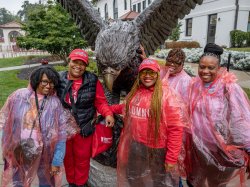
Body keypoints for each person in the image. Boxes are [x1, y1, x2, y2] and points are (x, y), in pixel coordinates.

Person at [111, 58, 186, 187]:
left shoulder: (167, 96)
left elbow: (176, 129)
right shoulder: (136, 93)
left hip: (157, 150)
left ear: (157, 74)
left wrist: (171, 158)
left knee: (159, 182)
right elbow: (124, 108)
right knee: (134, 177)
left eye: (151, 72)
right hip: (136, 146)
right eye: (144, 72)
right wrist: (106, 109)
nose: (147, 76)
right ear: (139, 75)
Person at [0, 65, 79, 186]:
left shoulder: (54, 103)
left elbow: (61, 134)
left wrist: (57, 160)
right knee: (18, 180)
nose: (49, 86)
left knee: (46, 181)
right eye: (45, 82)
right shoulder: (19, 97)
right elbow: (6, 122)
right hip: (20, 150)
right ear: (37, 80)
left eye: (52, 83)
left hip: (45, 154)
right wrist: (7, 148)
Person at [187, 43, 250, 187]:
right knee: (196, 181)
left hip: (221, 150)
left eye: (211, 67)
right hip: (198, 148)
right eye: (202, 67)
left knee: (216, 183)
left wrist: (248, 147)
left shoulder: (228, 87)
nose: (205, 71)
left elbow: (241, 118)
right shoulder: (195, 85)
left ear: (219, 68)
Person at [57, 49, 114, 187]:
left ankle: (80, 183)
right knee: (67, 158)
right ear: (69, 62)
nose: (78, 66)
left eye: (82, 63)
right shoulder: (59, 78)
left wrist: (108, 113)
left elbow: (100, 101)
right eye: (75, 62)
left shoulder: (92, 80)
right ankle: (71, 182)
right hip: (63, 127)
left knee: (82, 158)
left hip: (83, 127)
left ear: (86, 66)